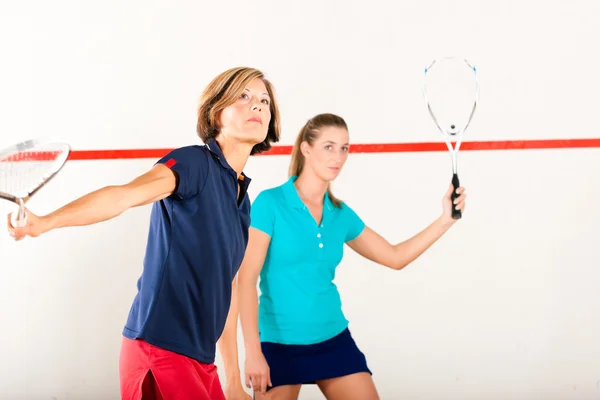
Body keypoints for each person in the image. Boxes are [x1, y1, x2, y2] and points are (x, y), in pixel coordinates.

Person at [7, 66, 282, 400]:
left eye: (264, 101)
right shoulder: (194, 164)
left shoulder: (242, 200)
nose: (257, 106)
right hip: (159, 349)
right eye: (244, 96)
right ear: (215, 112)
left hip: (200, 360)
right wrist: (46, 222)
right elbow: (123, 195)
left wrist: (232, 378)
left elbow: (227, 288)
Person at [237, 113, 467, 400]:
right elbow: (245, 281)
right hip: (279, 343)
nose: (338, 157)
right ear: (307, 149)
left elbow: (395, 257)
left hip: (332, 337)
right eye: (329, 146)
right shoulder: (270, 204)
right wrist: (253, 353)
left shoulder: (340, 214)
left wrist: (445, 220)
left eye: (344, 148)